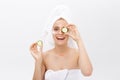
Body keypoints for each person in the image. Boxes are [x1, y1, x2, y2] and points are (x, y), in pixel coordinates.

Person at [30, 5, 93, 80]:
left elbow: (87, 72)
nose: (60, 32)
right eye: (56, 29)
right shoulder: (44, 57)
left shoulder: (78, 54)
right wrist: (38, 61)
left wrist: (79, 40)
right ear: (51, 32)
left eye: (64, 29)